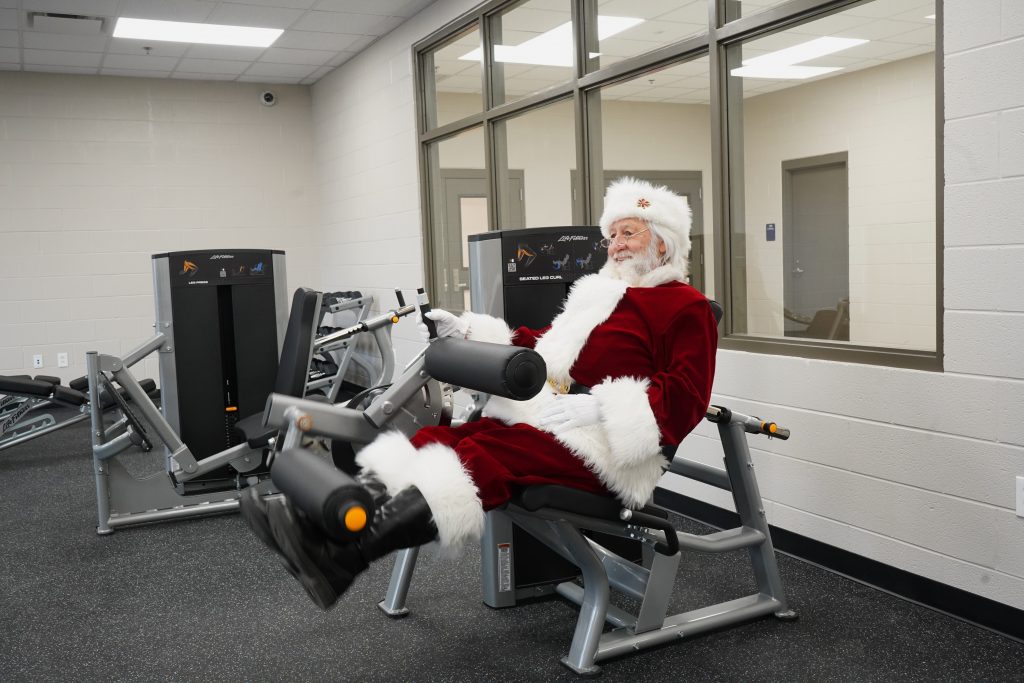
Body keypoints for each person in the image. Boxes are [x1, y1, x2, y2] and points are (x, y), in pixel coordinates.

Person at [240, 177, 719, 610]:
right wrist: (471, 331)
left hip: (606, 450)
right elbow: (541, 348)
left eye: (629, 233)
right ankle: (322, 536)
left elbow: (688, 397)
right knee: (446, 440)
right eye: (611, 235)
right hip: (549, 422)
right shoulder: (599, 293)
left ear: (662, 243)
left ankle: (342, 557)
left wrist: (601, 405)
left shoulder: (686, 307)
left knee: (483, 454)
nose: (615, 245)